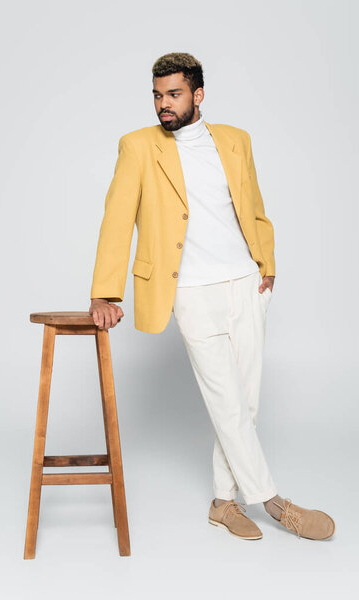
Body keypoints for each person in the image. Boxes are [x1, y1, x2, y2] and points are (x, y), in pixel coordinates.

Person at [88, 52, 335, 541]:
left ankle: (224, 503)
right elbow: (117, 219)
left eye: (174, 94)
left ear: (198, 95)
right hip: (190, 290)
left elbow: (254, 206)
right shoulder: (138, 147)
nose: (164, 104)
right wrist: (104, 292)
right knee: (225, 400)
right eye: (158, 95)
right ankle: (274, 502)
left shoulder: (235, 141)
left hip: (245, 282)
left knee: (246, 401)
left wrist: (266, 264)